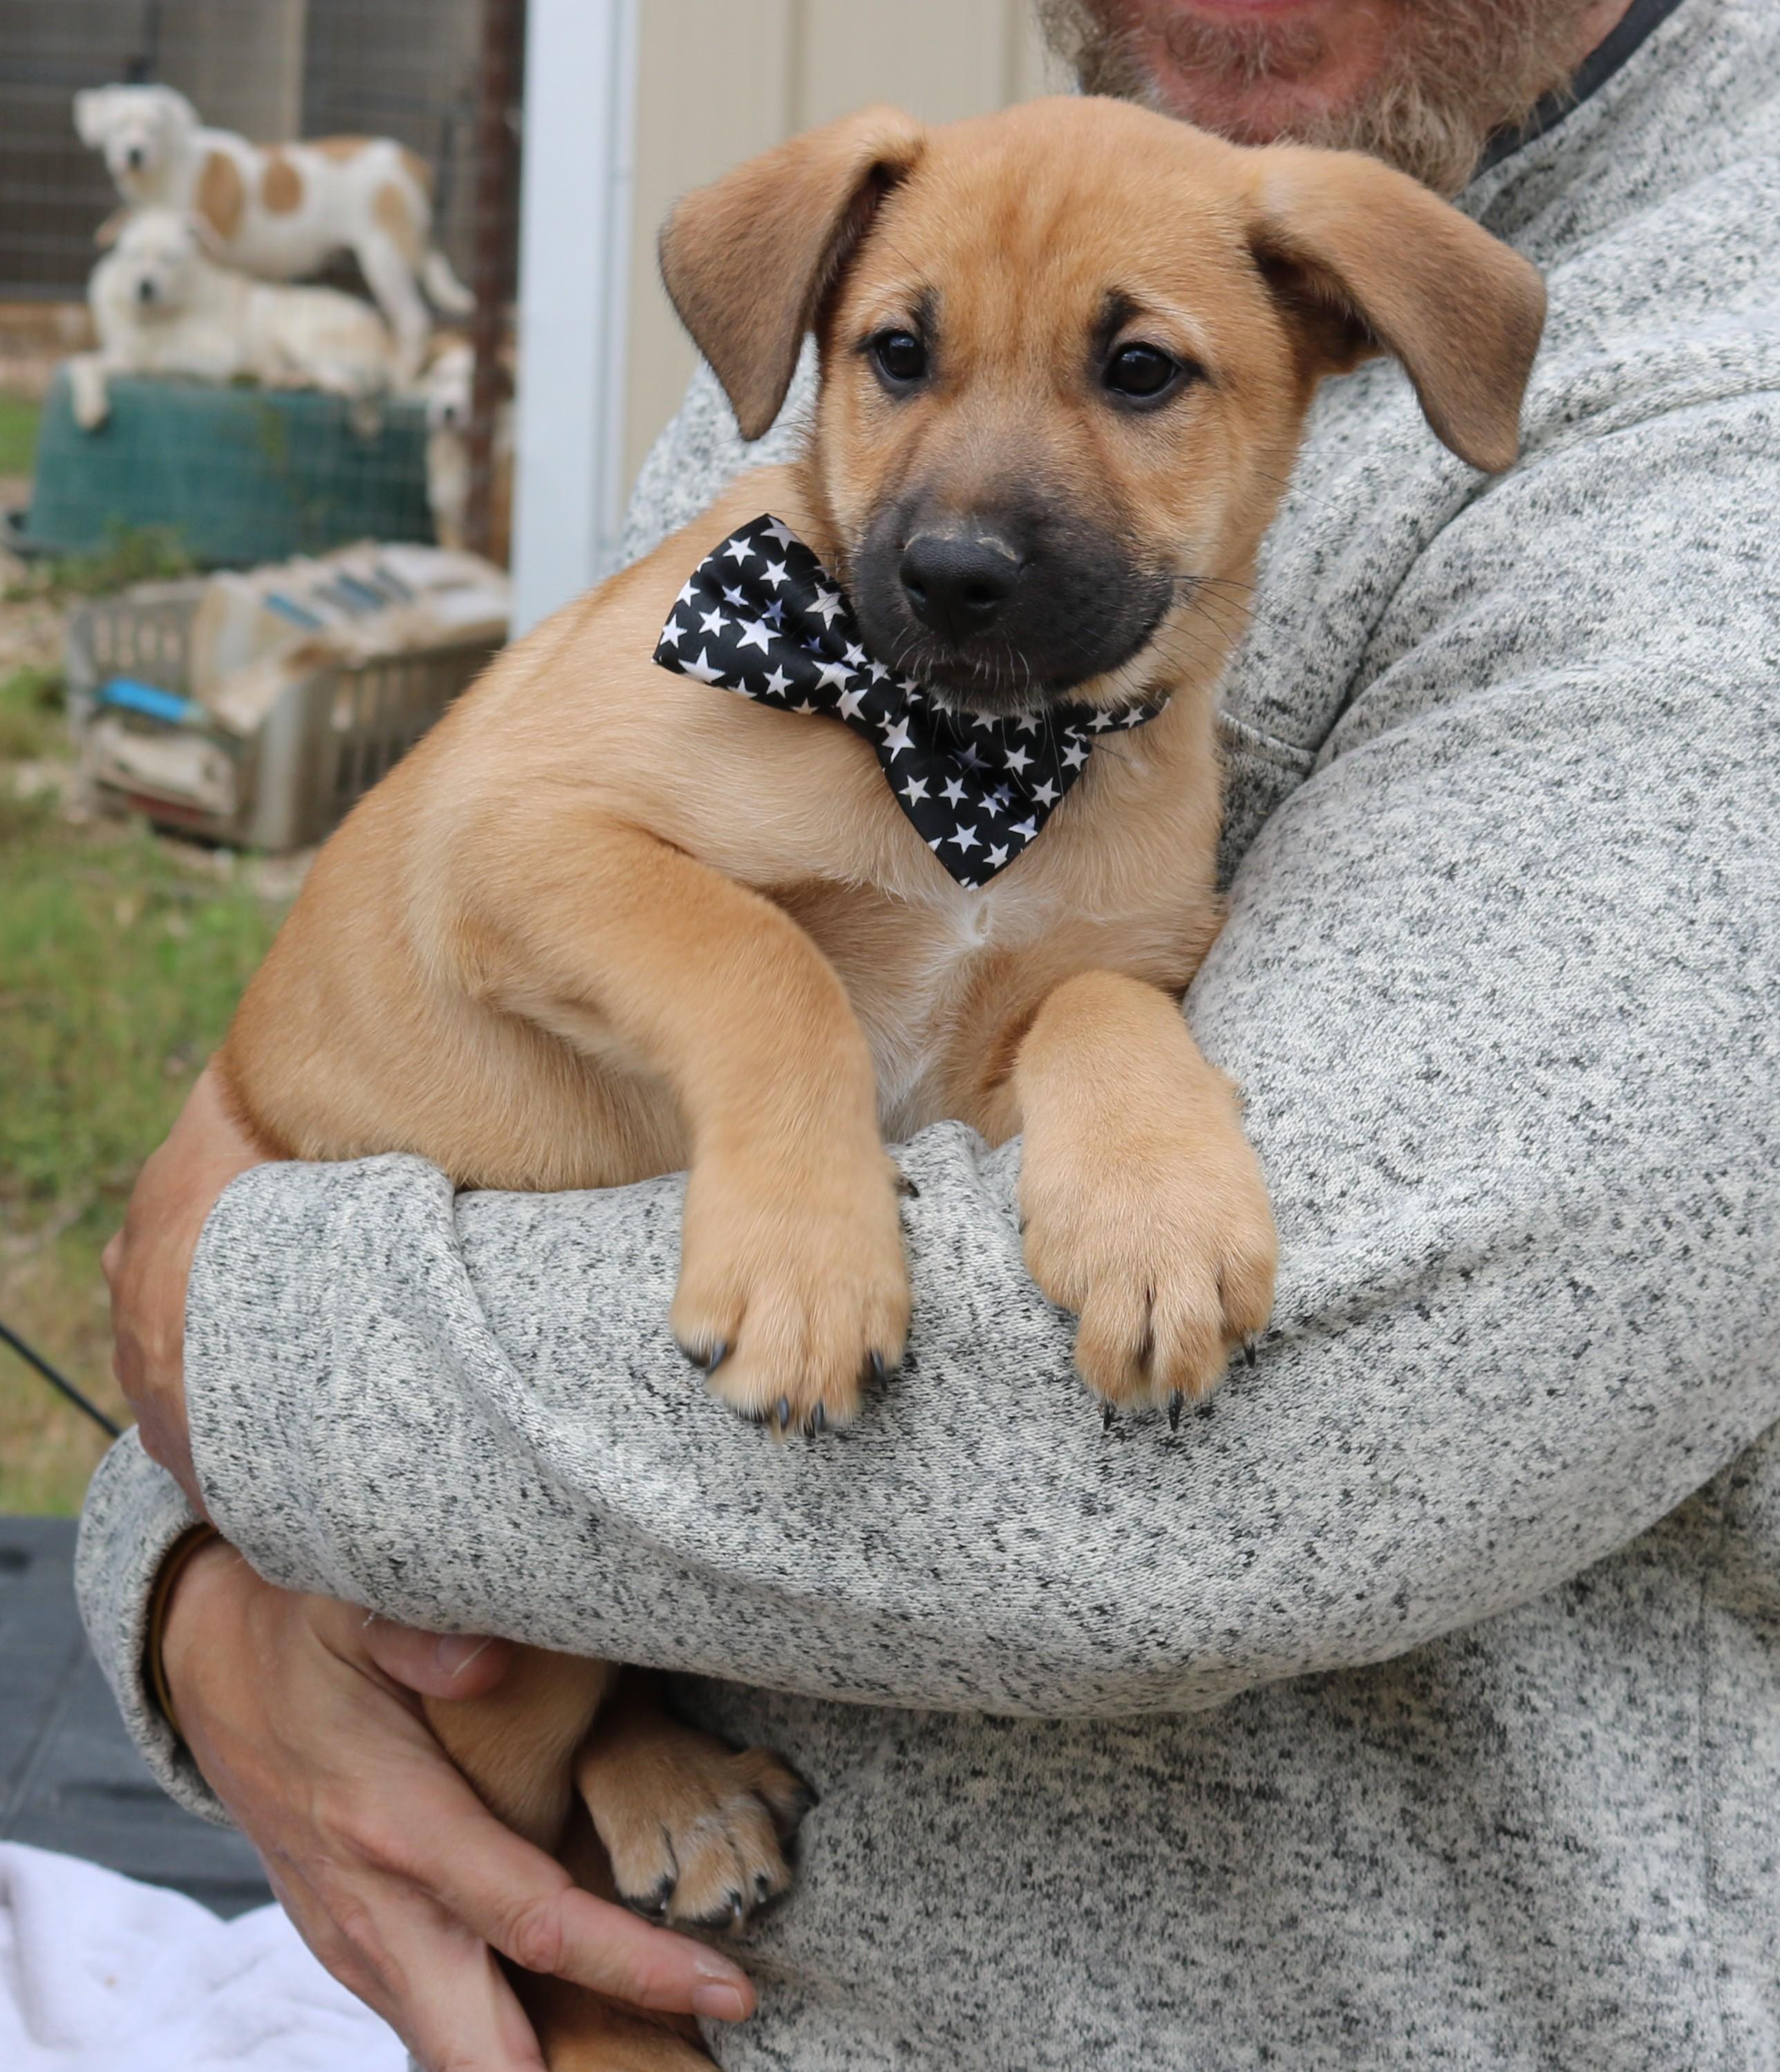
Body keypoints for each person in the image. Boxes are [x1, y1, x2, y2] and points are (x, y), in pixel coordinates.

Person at [83, 0, 1780, 2066]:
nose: (968, 519)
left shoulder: (1707, 413)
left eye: (1137, 380)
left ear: (1356, 348)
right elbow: (494, 892)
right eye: (900, 370)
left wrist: (1117, 1069)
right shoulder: (908, 302)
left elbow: (1281, 1463)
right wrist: (202, 1589)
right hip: (577, 1852)